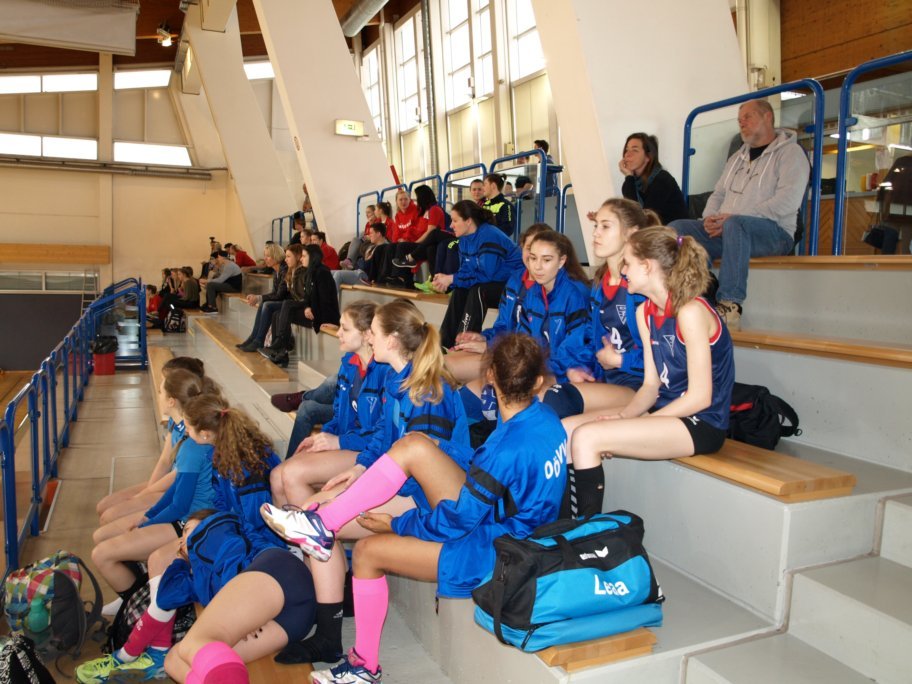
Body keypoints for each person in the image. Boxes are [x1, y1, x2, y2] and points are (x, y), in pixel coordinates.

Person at [260, 333, 566, 683]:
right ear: (538, 382)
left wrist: (397, 524)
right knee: (416, 445)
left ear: (491, 375)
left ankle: (364, 667)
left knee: (368, 551)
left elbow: (458, 523)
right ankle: (324, 524)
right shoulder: (546, 419)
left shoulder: (506, 448)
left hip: (498, 552)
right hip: (513, 532)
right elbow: (490, 475)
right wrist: (441, 449)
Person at [267, 299, 469, 666]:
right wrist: (361, 470)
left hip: (427, 499)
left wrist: (365, 493)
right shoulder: (397, 378)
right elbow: (383, 441)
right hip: (403, 487)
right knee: (314, 508)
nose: (369, 339)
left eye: (373, 333)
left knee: (323, 517)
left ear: (391, 340)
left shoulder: (428, 390)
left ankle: (329, 634)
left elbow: (420, 469)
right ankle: (328, 634)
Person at [565, 227, 735, 518]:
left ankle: (587, 534)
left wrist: (636, 424)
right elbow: (650, 387)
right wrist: (624, 418)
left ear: (647, 266)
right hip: (665, 412)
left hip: (701, 423)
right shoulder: (644, 313)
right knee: (565, 430)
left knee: (587, 437)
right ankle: (558, 530)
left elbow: (700, 397)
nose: (623, 270)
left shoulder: (691, 312)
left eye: (628, 263)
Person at [669, 99, 810, 329]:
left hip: (775, 234)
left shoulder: (791, 153)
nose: (741, 123)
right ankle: (696, 295)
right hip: (730, 230)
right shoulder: (736, 158)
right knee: (678, 228)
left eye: (747, 117)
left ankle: (730, 304)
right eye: (739, 120)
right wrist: (710, 218)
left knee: (736, 224)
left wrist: (731, 218)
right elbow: (718, 194)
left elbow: (787, 201)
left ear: (767, 117)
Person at [90, 369, 216, 597]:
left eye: (160, 391)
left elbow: (179, 504)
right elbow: (176, 486)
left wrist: (147, 522)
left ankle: (135, 601)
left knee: (103, 550)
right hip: (184, 515)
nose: (158, 395)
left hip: (187, 521)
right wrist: (149, 515)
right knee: (103, 539)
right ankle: (136, 594)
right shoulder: (191, 439)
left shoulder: (193, 446)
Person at [161, 512, 317, 684]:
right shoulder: (201, 576)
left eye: (187, 530)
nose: (182, 539)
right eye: (182, 536)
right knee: (174, 659)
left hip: (278, 571)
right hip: (294, 618)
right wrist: (180, 561)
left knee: (193, 643)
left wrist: (245, 611)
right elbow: (166, 598)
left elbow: (234, 553)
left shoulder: (215, 527)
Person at [543, 199, 660, 422]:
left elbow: (664, 353)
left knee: (559, 400)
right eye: (596, 225)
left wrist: (621, 360)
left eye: (605, 226)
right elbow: (590, 337)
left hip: (641, 384)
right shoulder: (600, 282)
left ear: (631, 233)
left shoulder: (642, 286)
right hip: (608, 379)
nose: (596, 233)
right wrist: (576, 367)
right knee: (531, 390)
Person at [271, 300, 387, 501]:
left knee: (292, 474)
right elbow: (338, 414)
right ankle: (288, 522)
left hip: (369, 450)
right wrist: (324, 437)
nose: (338, 333)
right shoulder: (349, 364)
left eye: (345, 329)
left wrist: (339, 441)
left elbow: (385, 435)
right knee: (276, 476)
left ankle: (311, 521)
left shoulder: (385, 372)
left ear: (367, 334)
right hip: (349, 442)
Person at [445, 223, 552, 384]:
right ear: (521, 248)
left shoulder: (551, 287)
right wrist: (483, 337)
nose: (533, 255)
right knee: (444, 363)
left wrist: (490, 346)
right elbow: (503, 326)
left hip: (529, 361)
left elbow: (541, 342)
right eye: (529, 248)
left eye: (541, 252)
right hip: (510, 352)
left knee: (445, 368)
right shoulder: (515, 280)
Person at [435, 201, 523, 349]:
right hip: (495, 282)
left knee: (478, 291)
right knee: (460, 290)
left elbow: (487, 275)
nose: (451, 225)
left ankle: (463, 345)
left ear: (468, 221)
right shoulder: (464, 240)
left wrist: (452, 278)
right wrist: (448, 281)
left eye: (455, 221)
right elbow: (465, 271)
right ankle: (444, 344)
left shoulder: (489, 235)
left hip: (516, 287)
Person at [260, 244, 340, 368]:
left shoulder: (323, 272)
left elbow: (326, 301)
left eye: (304, 256)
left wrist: (327, 321)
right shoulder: (310, 272)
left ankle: (280, 344)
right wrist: (307, 307)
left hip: (322, 316)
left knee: (287, 304)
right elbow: (308, 297)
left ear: (312, 257)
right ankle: (281, 353)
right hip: (312, 311)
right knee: (277, 314)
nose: (301, 259)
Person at [619, 133, 689, 223]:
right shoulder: (630, 182)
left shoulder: (662, 180)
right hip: (653, 229)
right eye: (626, 150)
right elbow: (631, 214)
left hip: (673, 230)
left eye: (635, 150)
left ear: (648, 157)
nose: (627, 154)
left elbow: (643, 217)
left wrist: (629, 176)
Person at [236, 243, 290, 353]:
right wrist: (259, 298)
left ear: (276, 256)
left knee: (267, 304)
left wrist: (258, 297)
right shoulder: (276, 270)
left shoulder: (284, 269)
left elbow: (280, 295)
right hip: (282, 301)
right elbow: (275, 293)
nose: (265, 259)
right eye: (265, 255)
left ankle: (259, 341)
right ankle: (253, 338)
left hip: (289, 302)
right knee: (264, 303)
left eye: (268, 256)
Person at [389, 185, 450, 280]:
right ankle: (394, 276)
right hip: (425, 243)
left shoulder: (434, 209)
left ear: (423, 197)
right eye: (400, 200)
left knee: (403, 246)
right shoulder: (425, 211)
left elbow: (431, 232)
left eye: (417, 197)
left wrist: (415, 242)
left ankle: (401, 277)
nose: (416, 200)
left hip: (431, 243)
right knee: (393, 246)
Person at [333, 223, 388, 296]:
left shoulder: (385, 248)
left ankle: (330, 301)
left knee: (339, 274)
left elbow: (375, 268)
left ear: (378, 234)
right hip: (359, 271)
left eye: (371, 233)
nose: (369, 235)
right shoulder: (372, 246)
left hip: (365, 276)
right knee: (330, 273)